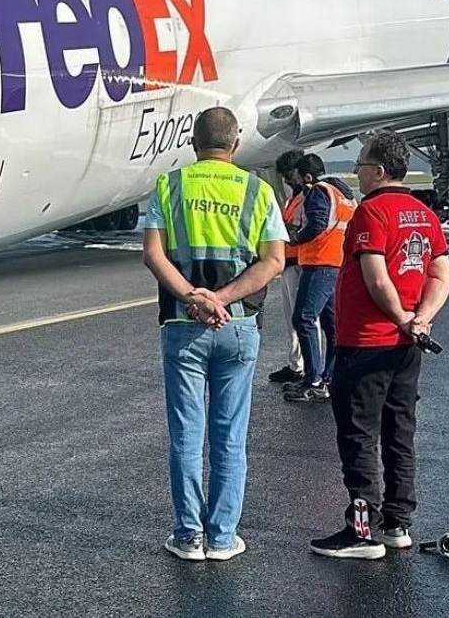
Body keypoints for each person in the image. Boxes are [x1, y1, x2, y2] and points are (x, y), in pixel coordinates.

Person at [142, 107, 287, 561]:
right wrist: (222, 299)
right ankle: (223, 537)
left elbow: (153, 254)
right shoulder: (258, 192)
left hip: (184, 324)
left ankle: (189, 536)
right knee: (230, 435)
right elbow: (273, 262)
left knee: (186, 435)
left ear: (192, 143)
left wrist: (194, 297)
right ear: (236, 144)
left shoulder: (170, 185)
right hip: (238, 325)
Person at [310, 130, 449, 559]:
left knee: (357, 436)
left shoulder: (372, 213)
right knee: (399, 432)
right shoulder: (423, 215)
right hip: (408, 346)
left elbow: (376, 278)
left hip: (367, 343)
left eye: (361, 165)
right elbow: (441, 275)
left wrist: (399, 318)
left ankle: (361, 531)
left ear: (379, 170)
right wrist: (419, 320)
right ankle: (397, 523)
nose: (357, 172)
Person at [283, 153, 356, 403]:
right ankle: (329, 377)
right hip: (336, 261)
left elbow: (317, 224)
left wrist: (296, 237)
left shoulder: (317, 191)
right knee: (331, 324)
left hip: (319, 262)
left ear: (308, 176)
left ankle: (313, 379)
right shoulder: (344, 193)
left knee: (302, 318)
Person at [268, 148, 307, 384]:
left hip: (300, 264)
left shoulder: (308, 197)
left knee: (303, 320)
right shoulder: (294, 197)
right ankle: (296, 364)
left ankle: (305, 367)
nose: (285, 179)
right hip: (289, 264)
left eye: (287, 174)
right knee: (292, 319)